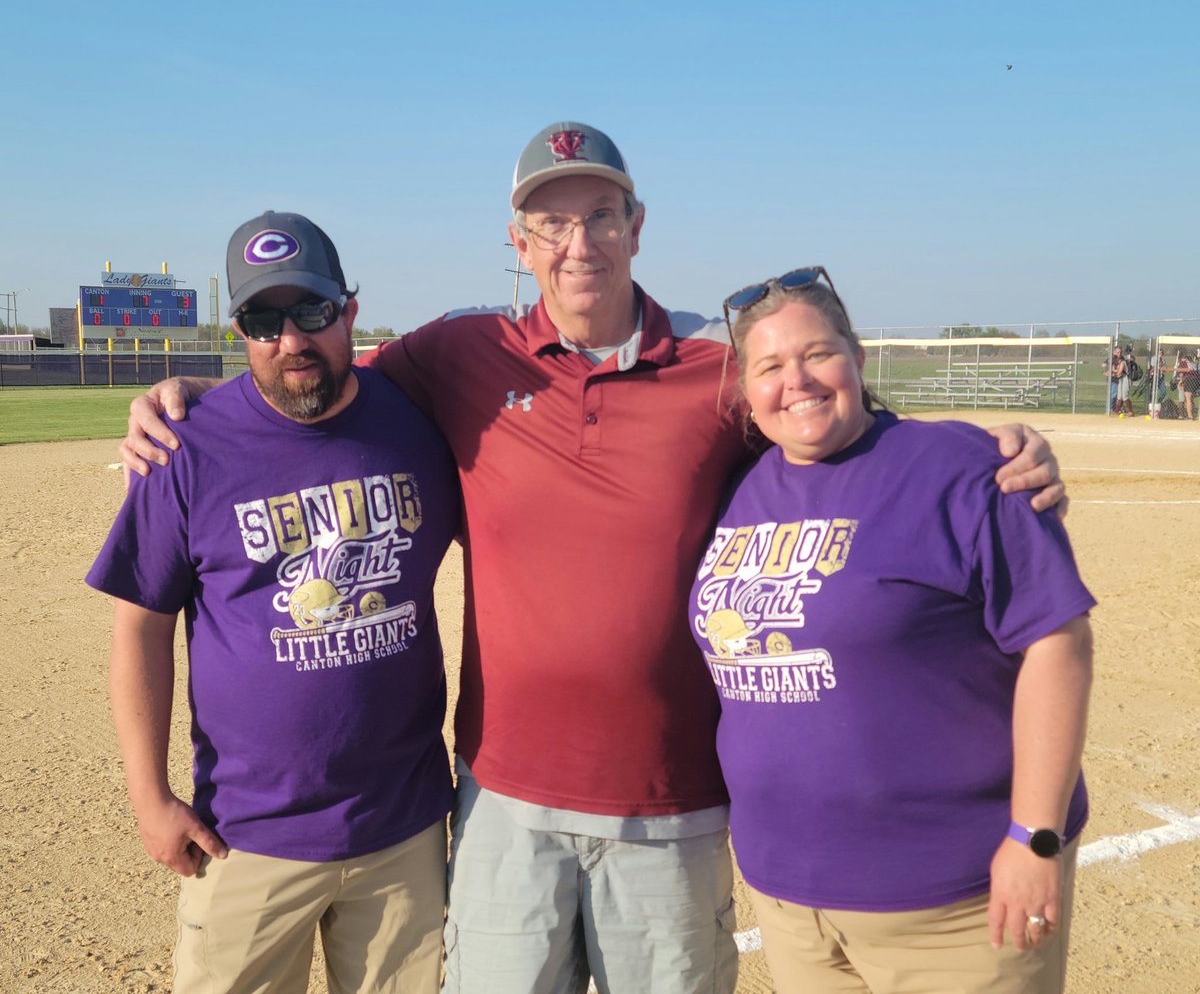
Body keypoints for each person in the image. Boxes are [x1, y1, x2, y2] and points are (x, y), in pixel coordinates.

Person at [119, 124, 1066, 994]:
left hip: (670, 802)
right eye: (552, 222)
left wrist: (978, 452)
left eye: (601, 215)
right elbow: (320, 381)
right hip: (503, 799)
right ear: (519, 241)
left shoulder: (716, 369)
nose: (580, 243)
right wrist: (197, 390)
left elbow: (818, 409)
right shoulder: (460, 352)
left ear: (636, 227)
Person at [690, 267, 1094, 994]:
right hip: (792, 903)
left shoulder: (966, 470)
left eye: (817, 354)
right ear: (746, 391)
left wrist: (1035, 838)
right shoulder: (739, 490)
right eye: (770, 366)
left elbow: (1058, 644)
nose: (798, 381)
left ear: (858, 356)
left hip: (957, 907)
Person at [88, 212, 458, 993]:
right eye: (264, 319)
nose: (291, 340)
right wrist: (150, 798)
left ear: (349, 312)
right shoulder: (184, 448)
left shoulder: (419, 426)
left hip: (403, 832)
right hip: (246, 838)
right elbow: (140, 628)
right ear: (240, 330)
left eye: (313, 312)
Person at [1174, 349, 1199, 420]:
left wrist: (1180, 381)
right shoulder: (1193, 363)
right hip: (1196, 381)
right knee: (1191, 398)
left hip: (1189, 380)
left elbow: (1181, 374)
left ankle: (1190, 416)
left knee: (1188, 399)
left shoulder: (1183, 363)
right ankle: (1192, 414)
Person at [1110, 343, 1132, 416]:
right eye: (1117, 352)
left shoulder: (1122, 361)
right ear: (1114, 352)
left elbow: (1119, 371)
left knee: (1125, 396)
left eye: (1120, 352)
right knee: (1119, 396)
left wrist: (1113, 372)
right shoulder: (1114, 360)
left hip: (1126, 378)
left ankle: (1130, 411)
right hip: (1120, 378)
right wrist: (1112, 372)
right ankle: (1116, 410)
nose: (1119, 354)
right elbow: (1113, 369)